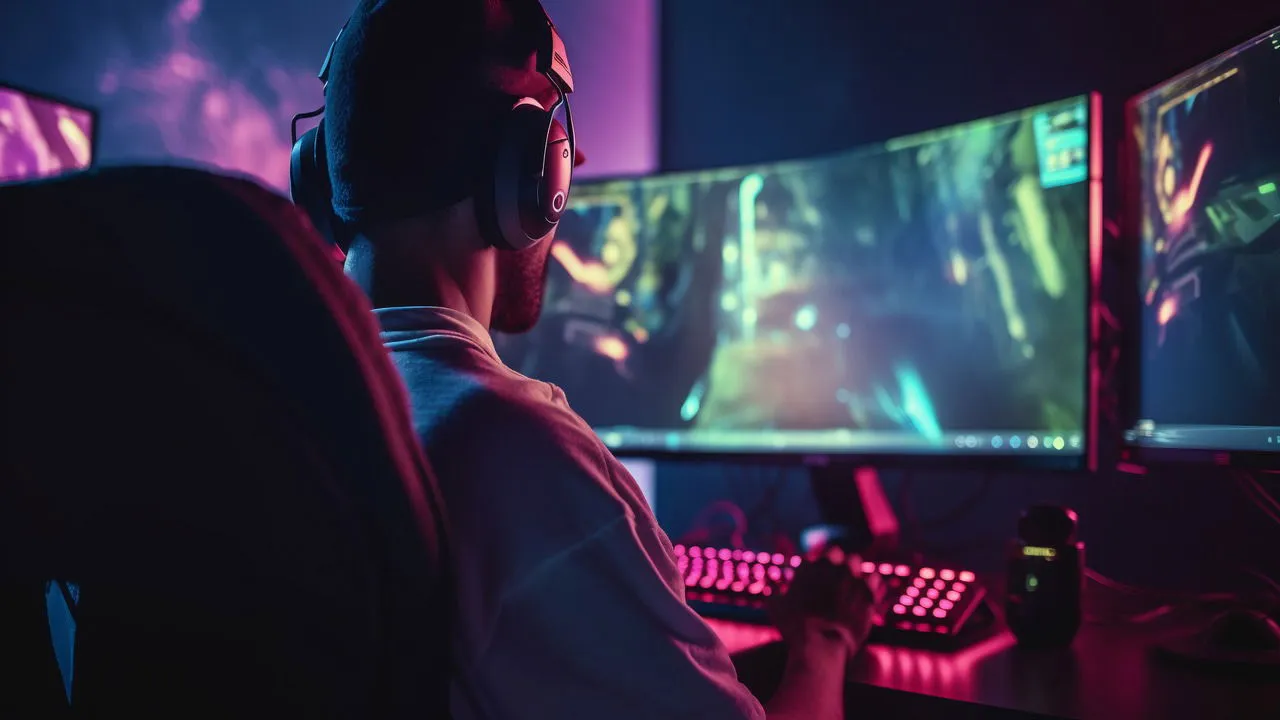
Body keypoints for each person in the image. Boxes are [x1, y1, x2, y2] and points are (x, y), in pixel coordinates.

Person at [316, 1, 880, 717]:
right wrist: (822, 639)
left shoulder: (290, 406)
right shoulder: (515, 450)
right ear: (533, 171)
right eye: (558, 140)